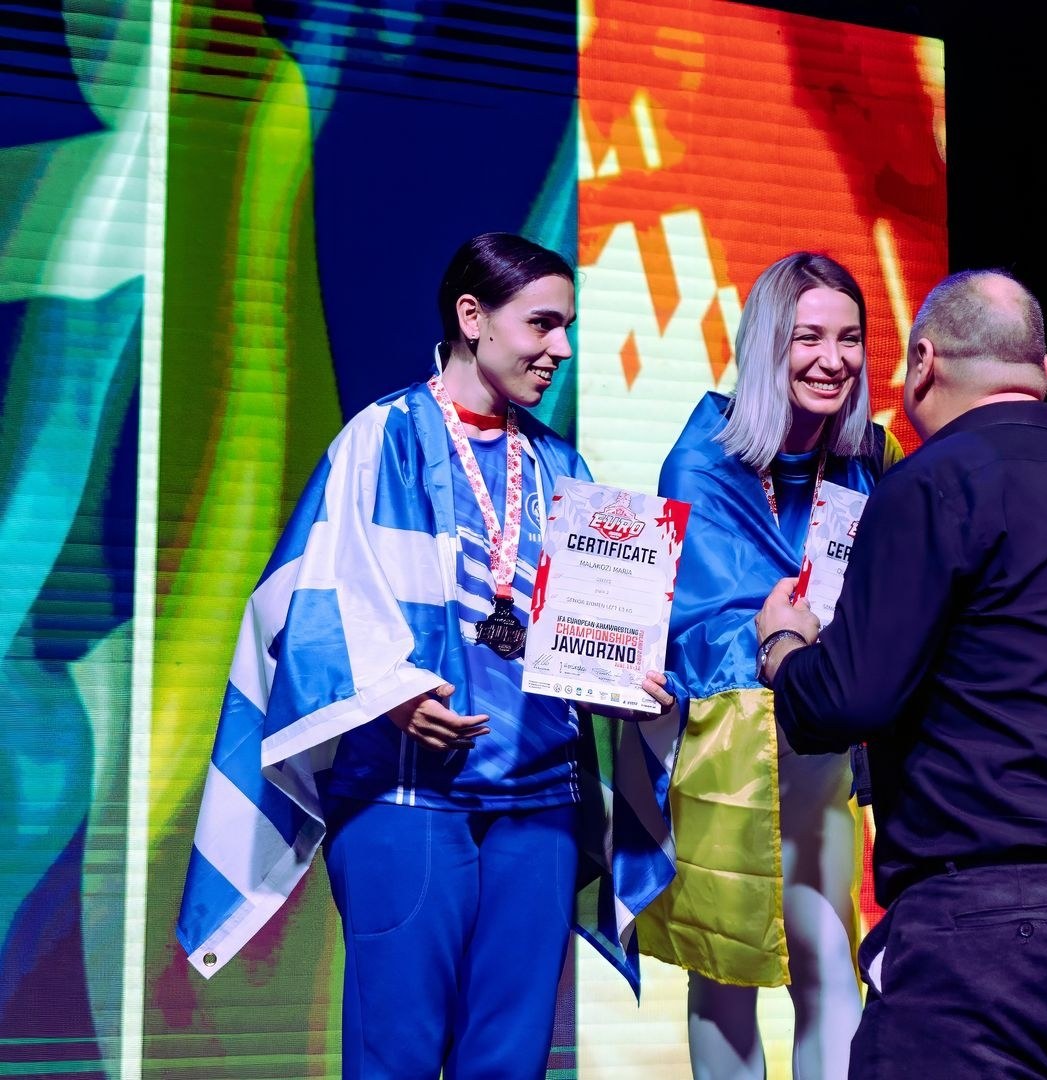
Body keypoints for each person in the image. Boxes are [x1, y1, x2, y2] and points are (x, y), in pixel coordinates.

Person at [176, 232, 676, 1078]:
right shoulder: (381, 438)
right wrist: (391, 690)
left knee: (510, 1060)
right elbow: (311, 597)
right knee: (397, 1055)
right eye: (543, 324)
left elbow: (588, 633)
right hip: (408, 799)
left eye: (568, 327)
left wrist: (629, 681)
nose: (561, 348)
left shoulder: (562, 465)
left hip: (538, 806)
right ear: (472, 317)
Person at [755, 269, 1047, 1078]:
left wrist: (784, 649)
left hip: (1001, 930)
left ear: (921, 363)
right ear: (1045, 374)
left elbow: (848, 698)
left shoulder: (931, 482)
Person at [638, 252, 900, 1079]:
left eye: (850, 338)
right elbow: (686, 620)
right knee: (725, 969)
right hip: (723, 747)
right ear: (766, 344)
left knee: (829, 958)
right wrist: (766, 633)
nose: (834, 359)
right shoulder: (703, 459)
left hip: (821, 745)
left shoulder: (873, 457)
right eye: (809, 337)